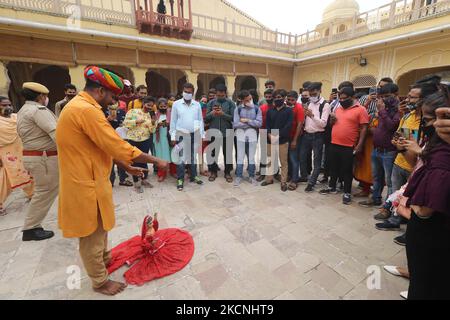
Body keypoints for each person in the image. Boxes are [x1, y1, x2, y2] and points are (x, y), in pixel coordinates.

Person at [57, 66, 168, 296]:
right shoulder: (86, 110)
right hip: (84, 183)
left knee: (101, 228)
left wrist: (124, 165)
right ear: (99, 91)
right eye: (112, 96)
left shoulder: (83, 106)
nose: (114, 101)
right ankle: (99, 281)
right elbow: (116, 144)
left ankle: (104, 259)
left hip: (92, 179)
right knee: (91, 235)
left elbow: (98, 146)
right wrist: (156, 160)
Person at [401, 89, 450, 300]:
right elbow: (417, 166)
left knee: (426, 284)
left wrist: (407, 208)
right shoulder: (434, 143)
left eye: (441, 117)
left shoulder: (443, 155)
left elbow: (425, 210)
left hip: (430, 235)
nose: (436, 124)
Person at [17, 82, 58, 241]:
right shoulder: (38, 110)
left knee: (48, 190)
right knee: (44, 192)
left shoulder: (23, 109)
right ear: (41, 96)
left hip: (37, 156)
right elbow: (56, 134)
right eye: (45, 96)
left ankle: (32, 226)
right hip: (44, 158)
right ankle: (31, 228)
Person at [320, 86, 369, 205]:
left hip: (349, 145)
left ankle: (347, 192)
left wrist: (360, 145)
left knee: (346, 170)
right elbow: (333, 124)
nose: (341, 101)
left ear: (352, 97)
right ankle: (332, 187)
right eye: (340, 98)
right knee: (333, 168)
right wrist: (332, 120)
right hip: (334, 143)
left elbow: (364, 128)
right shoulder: (338, 109)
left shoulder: (361, 109)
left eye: (344, 98)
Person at [360, 83, 401, 207]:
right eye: (381, 96)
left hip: (389, 151)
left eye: (387, 96)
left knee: (389, 182)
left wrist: (382, 111)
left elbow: (391, 126)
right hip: (376, 149)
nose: (383, 99)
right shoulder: (384, 110)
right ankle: (375, 198)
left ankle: (388, 206)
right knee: (376, 178)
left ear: (395, 95)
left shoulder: (399, 110)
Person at [0, 97, 34, 216]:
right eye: (4, 105)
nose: (8, 107)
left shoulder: (16, 117)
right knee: (6, 179)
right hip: (5, 154)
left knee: (27, 173)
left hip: (21, 149)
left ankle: (32, 194)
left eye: (9, 104)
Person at [170, 82, 205, 191]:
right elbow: (173, 121)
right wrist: (173, 136)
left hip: (194, 134)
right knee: (181, 159)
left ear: (193, 93)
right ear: (182, 92)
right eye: (185, 92)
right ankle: (180, 179)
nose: (187, 94)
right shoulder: (176, 104)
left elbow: (200, 120)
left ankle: (194, 176)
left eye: (189, 92)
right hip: (181, 135)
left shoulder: (197, 105)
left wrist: (202, 135)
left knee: (193, 157)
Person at [299, 82, 330, 193]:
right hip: (306, 135)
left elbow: (323, 124)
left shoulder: (325, 105)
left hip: (318, 136)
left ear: (320, 91)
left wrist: (312, 115)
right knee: (302, 157)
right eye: (310, 94)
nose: (312, 96)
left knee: (316, 161)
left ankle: (311, 183)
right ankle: (304, 176)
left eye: (314, 93)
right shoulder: (309, 103)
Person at [123, 96, 157, 193]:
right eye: (148, 105)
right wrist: (136, 121)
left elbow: (152, 130)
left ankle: (144, 180)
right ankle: (136, 183)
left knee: (144, 161)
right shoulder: (133, 111)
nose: (149, 107)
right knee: (134, 162)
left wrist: (154, 123)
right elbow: (125, 123)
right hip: (133, 140)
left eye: (151, 106)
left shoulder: (151, 115)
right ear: (143, 103)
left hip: (145, 140)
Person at [261, 89, 293, 192]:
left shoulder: (289, 111)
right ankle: (269, 179)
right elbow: (268, 124)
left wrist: (278, 136)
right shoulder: (271, 111)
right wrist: (269, 134)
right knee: (270, 160)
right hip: (271, 139)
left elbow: (288, 126)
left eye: (279, 97)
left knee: (283, 162)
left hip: (283, 140)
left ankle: (283, 181)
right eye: (275, 98)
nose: (277, 99)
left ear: (284, 98)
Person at [205, 84, 236, 183]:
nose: (220, 97)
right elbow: (206, 118)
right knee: (213, 153)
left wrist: (223, 114)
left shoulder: (231, 103)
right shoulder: (211, 103)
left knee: (228, 154)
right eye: (218, 95)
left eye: (222, 96)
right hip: (213, 131)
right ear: (216, 94)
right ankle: (213, 172)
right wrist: (212, 113)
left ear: (225, 94)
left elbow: (234, 118)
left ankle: (227, 172)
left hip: (227, 132)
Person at [233, 90, 262, 186]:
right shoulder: (238, 109)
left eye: (250, 99)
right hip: (240, 136)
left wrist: (246, 120)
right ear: (242, 101)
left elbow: (259, 123)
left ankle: (251, 176)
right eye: (247, 100)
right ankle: (238, 176)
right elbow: (236, 124)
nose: (250, 101)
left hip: (253, 136)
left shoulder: (257, 109)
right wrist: (251, 124)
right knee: (240, 157)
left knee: (251, 157)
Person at [105, 96, 132, 187]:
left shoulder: (122, 112)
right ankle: (110, 181)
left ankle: (123, 179)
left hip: (120, 140)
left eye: (115, 102)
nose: (113, 104)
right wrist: (108, 120)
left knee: (122, 159)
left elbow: (125, 124)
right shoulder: (102, 112)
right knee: (110, 161)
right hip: (107, 139)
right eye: (111, 103)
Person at [153, 98, 176, 182]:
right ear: (158, 106)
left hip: (170, 138)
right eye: (161, 106)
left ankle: (173, 171)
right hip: (160, 139)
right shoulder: (155, 114)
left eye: (164, 106)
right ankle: (162, 174)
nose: (163, 107)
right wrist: (158, 125)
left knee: (172, 155)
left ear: (167, 106)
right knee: (161, 156)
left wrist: (168, 124)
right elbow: (152, 126)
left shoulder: (171, 114)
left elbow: (175, 124)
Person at [286, 90, 305, 191]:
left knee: (294, 158)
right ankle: (289, 175)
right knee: (287, 157)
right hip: (287, 136)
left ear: (296, 99)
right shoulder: (287, 106)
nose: (290, 101)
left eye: (292, 100)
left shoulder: (299, 108)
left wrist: (294, 140)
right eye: (288, 99)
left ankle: (294, 180)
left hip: (295, 137)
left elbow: (299, 124)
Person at [257, 89, 274, 182]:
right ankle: (262, 173)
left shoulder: (276, 107)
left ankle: (275, 172)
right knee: (263, 153)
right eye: (266, 97)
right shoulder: (262, 107)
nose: (268, 98)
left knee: (273, 153)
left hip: (274, 132)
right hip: (263, 132)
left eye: (270, 97)